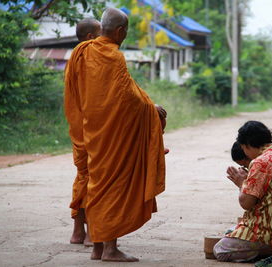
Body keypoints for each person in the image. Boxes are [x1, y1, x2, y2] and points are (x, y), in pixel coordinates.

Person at [64, 7, 166, 262]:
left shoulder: (80, 51)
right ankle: (110, 249)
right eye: (126, 31)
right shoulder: (112, 56)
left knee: (97, 185)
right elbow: (127, 98)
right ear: (120, 31)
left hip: (90, 130)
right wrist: (151, 109)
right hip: (112, 135)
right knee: (113, 187)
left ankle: (98, 247)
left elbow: (75, 92)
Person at [214, 121, 272, 262]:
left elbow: (246, 203)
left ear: (247, 145)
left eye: (243, 148)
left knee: (220, 250)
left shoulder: (260, 161)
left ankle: (269, 251)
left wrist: (241, 183)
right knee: (231, 232)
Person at [69, 18, 101, 247]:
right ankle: (92, 233)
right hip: (93, 124)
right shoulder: (90, 54)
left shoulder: (74, 56)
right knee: (96, 178)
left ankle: (78, 231)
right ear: (91, 37)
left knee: (83, 175)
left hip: (78, 123)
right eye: (101, 34)